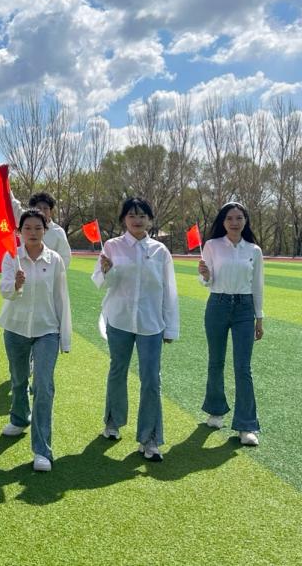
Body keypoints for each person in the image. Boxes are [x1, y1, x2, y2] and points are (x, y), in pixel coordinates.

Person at [92, 197, 178, 462]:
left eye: (142, 215)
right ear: (123, 220)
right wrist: (106, 271)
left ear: (150, 219)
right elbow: (99, 282)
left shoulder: (160, 251)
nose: (137, 220)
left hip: (151, 324)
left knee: (151, 378)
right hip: (119, 320)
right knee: (118, 370)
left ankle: (149, 438)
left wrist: (170, 328)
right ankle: (113, 422)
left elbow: (169, 291)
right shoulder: (112, 246)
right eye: (131, 215)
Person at [0, 209, 72, 472]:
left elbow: (61, 298)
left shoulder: (54, 260)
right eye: (27, 228)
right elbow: (5, 291)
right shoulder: (12, 256)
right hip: (15, 327)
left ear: (45, 231)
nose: (32, 232)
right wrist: (16, 285)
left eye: (38, 228)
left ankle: (42, 450)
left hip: (47, 330)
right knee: (18, 379)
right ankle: (19, 418)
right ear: (19, 231)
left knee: (43, 385)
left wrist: (65, 338)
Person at [197, 202, 264, 446]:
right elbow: (206, 280)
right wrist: (205, 276)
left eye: (239, 218)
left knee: (243, 367)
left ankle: (246, 426)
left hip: (245, 308)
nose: (234, 222)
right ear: (223, 222)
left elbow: (257, 284)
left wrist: (259, 317)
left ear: (245, 221)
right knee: (216, 361)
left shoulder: (254, 250)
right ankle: (215, 412)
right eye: (229, 218)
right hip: (217, 304)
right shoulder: (212, 246)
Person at [11, 191, 72, 267]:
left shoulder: (58, 232)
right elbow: (13, 205)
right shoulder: (24, 222)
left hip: (47, 273)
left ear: (51, 211)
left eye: (45, 208)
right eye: (39, 208)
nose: (42, 211)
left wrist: (52, 271)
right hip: (25, 271)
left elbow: (65, 257)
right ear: (33, 209)